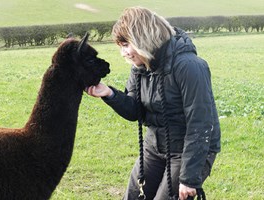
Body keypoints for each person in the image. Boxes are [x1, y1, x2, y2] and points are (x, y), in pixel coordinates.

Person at [86, 6, 221, 200]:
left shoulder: (189, 67)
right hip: (154, 146)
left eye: (126, 45)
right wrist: (109, 94)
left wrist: (189, 178)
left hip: (187, 150)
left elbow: (200, 124)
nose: (123, 53)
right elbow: (135, 111)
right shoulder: (141, 67)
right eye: (120, 46)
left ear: (143, 39)